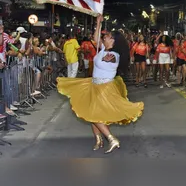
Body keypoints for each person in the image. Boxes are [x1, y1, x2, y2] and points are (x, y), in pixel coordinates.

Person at [57, 15, 144, 154]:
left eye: (108, 36)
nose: (105, 37)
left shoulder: (113, 55)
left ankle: (111, 139)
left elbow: (106, 59)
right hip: (94, 85)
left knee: (93, 114)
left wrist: (105, 53)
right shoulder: (104, 49)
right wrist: (98, 23)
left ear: (113, 41)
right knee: (91, 112)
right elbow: (97, 38)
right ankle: (98, 140)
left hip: (104, 88)